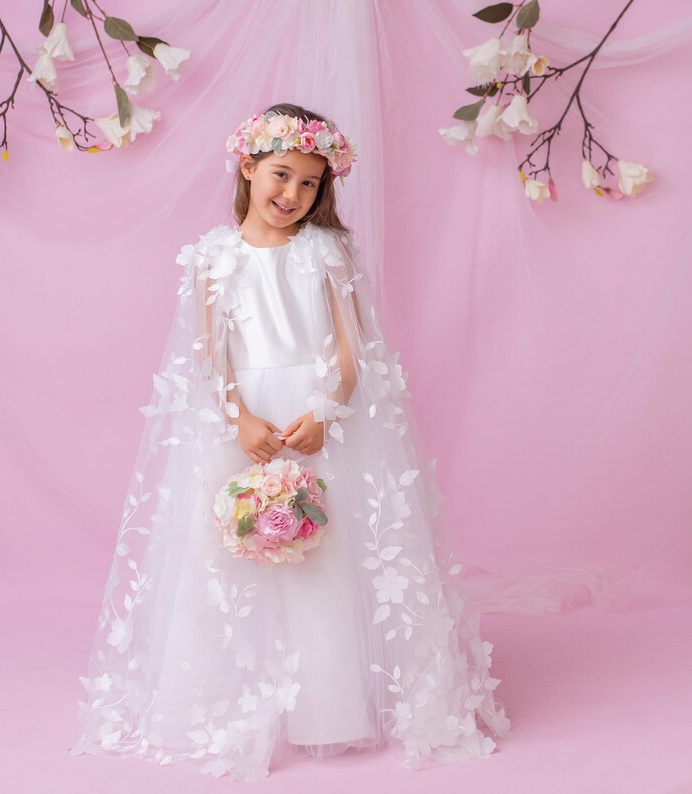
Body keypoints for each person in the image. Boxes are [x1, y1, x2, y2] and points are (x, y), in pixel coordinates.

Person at [70, 101, 511, 782]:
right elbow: (206, 351)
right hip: (245, 422)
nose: (293, 195)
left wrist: (327, 409)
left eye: (310, 183)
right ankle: (218, 699)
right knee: (229, 551)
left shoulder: (327, 251)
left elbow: (351, 349)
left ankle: (325, 711)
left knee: (319, 557)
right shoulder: (213, 257)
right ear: (247, 167)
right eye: (281, 175)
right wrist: (237, 416)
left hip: (310, 418)